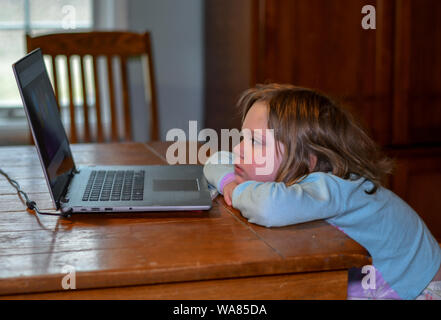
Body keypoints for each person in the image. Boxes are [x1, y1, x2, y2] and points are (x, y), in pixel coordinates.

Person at [203, 83, 441, 300]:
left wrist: (239, 190)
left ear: (310, 159)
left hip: (421, 286)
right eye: (243, 137)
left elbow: (268, 207)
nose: (238, 148)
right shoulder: (297, 176)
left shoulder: (332, 187)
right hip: (379, 279)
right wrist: (228, 184)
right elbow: (215, 162)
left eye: (256, 142)